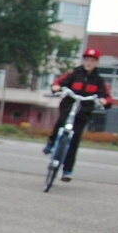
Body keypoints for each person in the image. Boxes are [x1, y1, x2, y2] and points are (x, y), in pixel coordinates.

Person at [44, 47, 113, 181]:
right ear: (83, 61)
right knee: (60, 122)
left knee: (74, 140)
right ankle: (51, 142)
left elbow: (107, 96)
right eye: (87, 60)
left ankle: (67, 170)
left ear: (96, 63)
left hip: (83, 112)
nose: (89, 63)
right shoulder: (74, 74)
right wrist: (56, 87)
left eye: (92, 61)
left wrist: (105, 101)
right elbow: (59, 82)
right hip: (69, 106)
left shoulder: (99, 80)